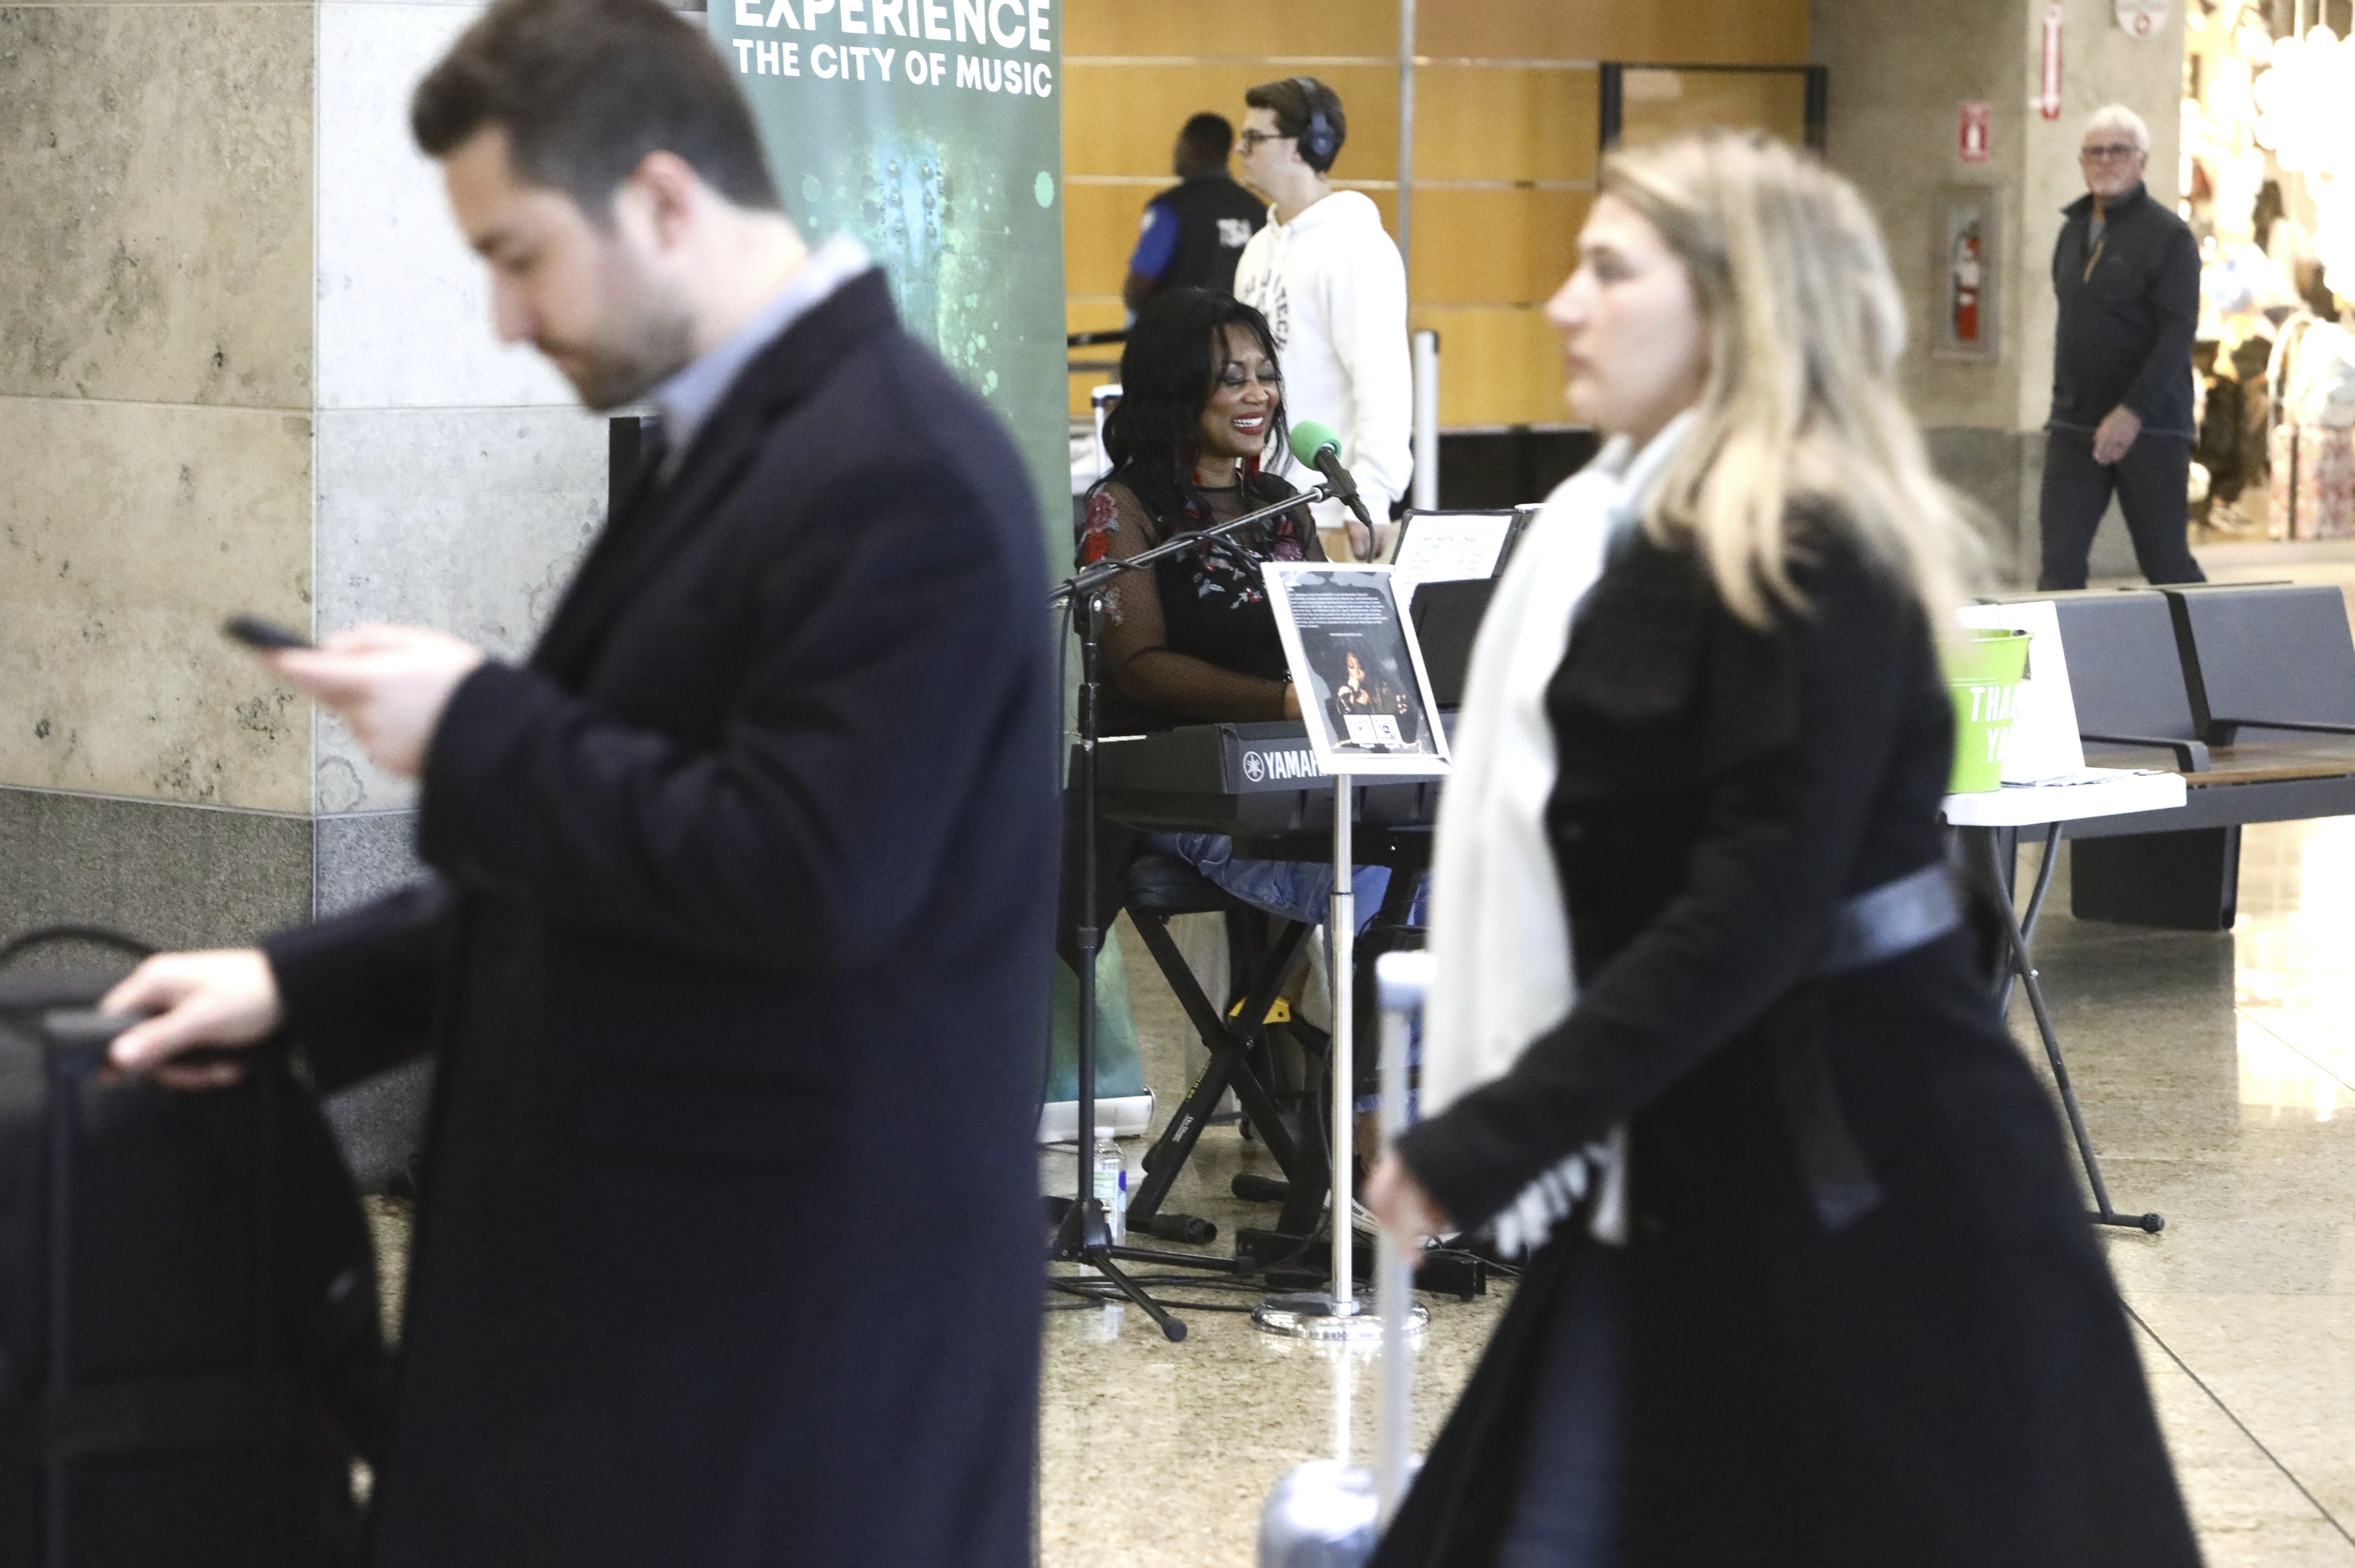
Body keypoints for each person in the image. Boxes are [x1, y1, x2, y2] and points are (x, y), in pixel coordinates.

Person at [99, 0, 1056, 1562]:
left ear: (664, 198)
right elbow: (609, 860)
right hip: (657, 1349)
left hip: (772, 1384)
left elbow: (799, 867)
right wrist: (296, 982)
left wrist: (477, 724)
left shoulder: (898, 471)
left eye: (519, 254)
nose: (500, 316)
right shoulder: (744, 445)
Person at [1363, 131, 2200, 1568]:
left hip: (1855, 1181)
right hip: (1707, 1160)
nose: (1564, 304)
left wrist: (1489, 1131)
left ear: (1732, 305)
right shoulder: (1660, 529)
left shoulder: (1804, 545)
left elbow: (1752, 900)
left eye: (1608, 271)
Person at [1080, 287, 1387, 925]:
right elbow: (1138, 663)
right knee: (1379, 885)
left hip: (1299, 781)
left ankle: (1327, 1023)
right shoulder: (1125, 507)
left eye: (1266, 376)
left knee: (1438, 865)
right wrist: (1278, 703)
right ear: (1174, 390)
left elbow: (1326, 642)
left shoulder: (1280, 502)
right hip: (1185, 790)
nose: (1259, 395)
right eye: (1231, 379)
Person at [1232, 75, 1410, 561]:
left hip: (1333, 514)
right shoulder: (1255, 251)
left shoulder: (1355, 246)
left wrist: (1369, 496)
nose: (1239, 148)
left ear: (1304, 146)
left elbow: (1383, 382)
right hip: (1260, 508)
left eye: (1254, 137)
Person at [2038, 103, 2207, 590]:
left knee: (2166, 564)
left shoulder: (2168, 237)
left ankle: (2216, 663)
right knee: (2059, 567)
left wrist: (2131, 412)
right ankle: (2062, 667)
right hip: (2074, 423)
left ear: (2142, 161)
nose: (2105, 161)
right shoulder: (2071, 231)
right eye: (2094, 152)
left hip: (2151, 425)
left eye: (2119, 151)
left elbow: (2177, 336)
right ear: (2081, 161)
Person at [1121, 113, 1266, 314]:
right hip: (1241, 335)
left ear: (1194, 148)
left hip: (1180, 335)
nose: (1175, 152)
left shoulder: (1171, 208)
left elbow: (1138, 289)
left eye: (1180, 143)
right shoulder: (1256, 209)